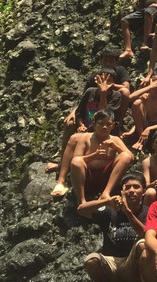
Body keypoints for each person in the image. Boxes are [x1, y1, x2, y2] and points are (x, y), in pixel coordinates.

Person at [77, 173, 150, 282]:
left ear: (144, 191)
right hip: (112, 264)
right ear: (121, 191)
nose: (132, 190)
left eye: (136, 187)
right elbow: (81, 210)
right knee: (91, 261)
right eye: (127, 187)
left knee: (143, 245)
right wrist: (106, 202)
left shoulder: (148, 211)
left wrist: (128, 213)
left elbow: (146, 235)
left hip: (133, 265)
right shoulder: (110, 211)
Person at [50, 69, 123, 197]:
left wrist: (104, 94)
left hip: (104, 128)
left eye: (109, 80)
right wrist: (81, 124)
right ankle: (61, 180)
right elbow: (79, 112)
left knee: (83, 137)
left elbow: (104, 116)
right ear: (96, 80)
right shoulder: (89, 92)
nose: (104, 82)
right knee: (74, 138)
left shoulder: (116, 96)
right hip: (90, 128)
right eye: (101, 79)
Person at [70, 109, 134, 207]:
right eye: (100, 124)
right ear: (94, 124)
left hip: (106, 177)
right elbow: (75, 160)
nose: (104, 127)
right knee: (77, 161)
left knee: (125, 156)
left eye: (108, 124)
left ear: (112, 126)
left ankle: (106, 193)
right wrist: (93, 156)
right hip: (87, 176)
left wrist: (116, 147)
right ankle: (81, 200)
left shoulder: (115, 139)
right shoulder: (85, 137)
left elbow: (130, 157)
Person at [122, 72, 157, 151]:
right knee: (137, 103)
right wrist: (150, 86)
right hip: (143, 127)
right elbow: (130, 98)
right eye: (154, 81)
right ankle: (141, 141)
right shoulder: (144, 97)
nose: (156, 84)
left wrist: (149, 128)